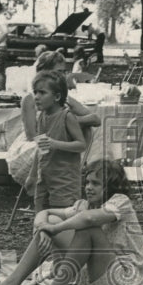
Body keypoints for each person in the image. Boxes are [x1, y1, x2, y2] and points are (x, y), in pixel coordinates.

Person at [0, 159, 143, 285]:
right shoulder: (84, 205)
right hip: (95, 281)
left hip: (121, 283)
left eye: (96, 184)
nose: (89, 188)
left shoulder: (121, 202)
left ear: (111, 186)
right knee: (52, 222)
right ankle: (12, 283)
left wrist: (55, 229)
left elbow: (89, 219)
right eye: (87, 182)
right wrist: (43, 228)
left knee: (86, 229)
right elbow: (46, 213)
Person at [29, 71, 87, 212]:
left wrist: (55, 144)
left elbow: (81, 145)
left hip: (65, 181)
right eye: (35, 92)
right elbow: (40, 147)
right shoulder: (42, 116)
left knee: (62, 221)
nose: (36, 97)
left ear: (57, 96)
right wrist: (32, 175)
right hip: (45, 177)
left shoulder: (66, 117)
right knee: (41, 216)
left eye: (42, 93)